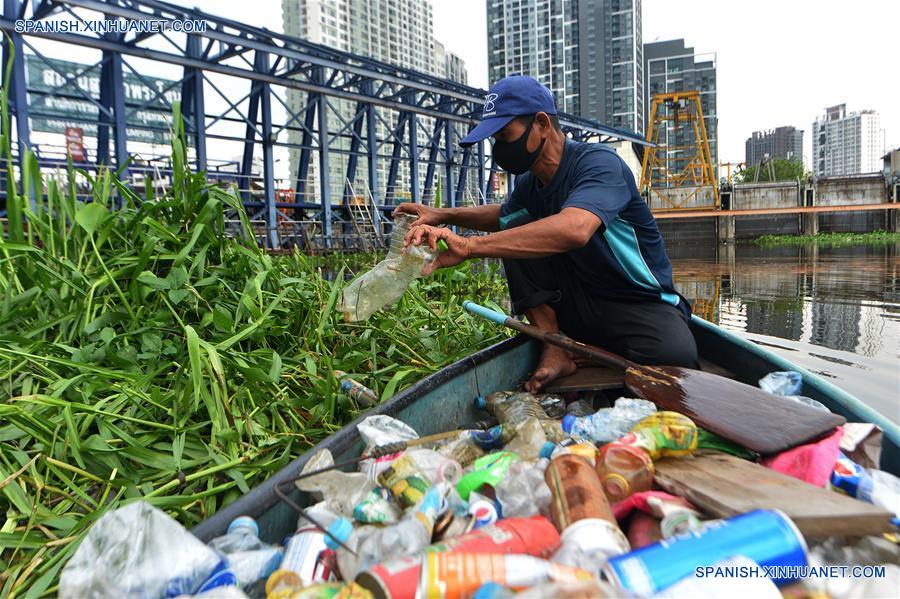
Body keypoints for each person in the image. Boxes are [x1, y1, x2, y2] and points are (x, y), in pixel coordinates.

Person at [394, 75, 697, 392]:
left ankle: (593, 351)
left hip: (636, 302)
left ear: (541, 124)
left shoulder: (599, 164)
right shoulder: (530, 184)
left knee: (675, 358)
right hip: (579, 303)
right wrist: (443, 214)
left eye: (505, 136)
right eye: (496, 140)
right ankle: (555, 344)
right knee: (514, 225)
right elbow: (504, 214)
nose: (500, 148)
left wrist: (470, 246)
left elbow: (575, 228)